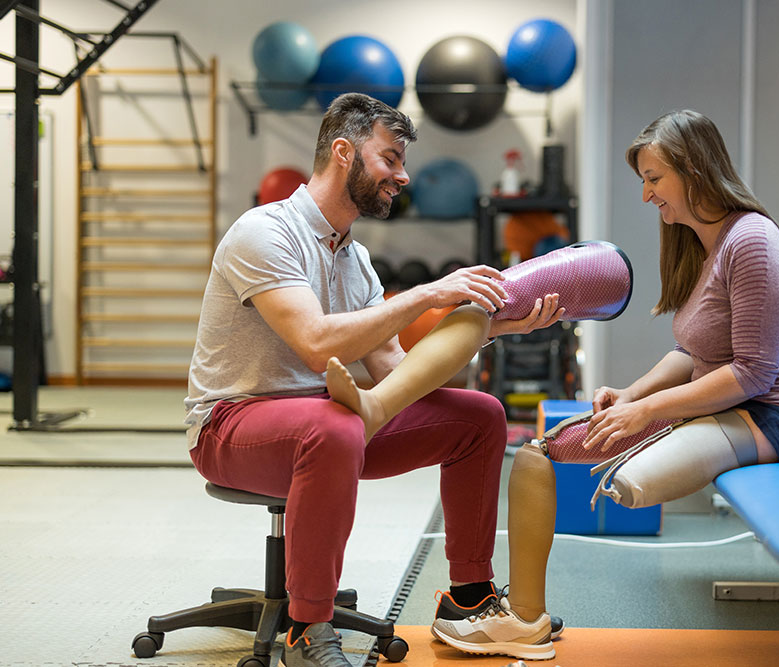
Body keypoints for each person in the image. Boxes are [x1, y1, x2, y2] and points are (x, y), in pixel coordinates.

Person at [429, 109, 779, 661]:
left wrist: (647, 414)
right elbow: (692, 351)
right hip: (732, 406)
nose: (647, 196)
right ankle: (525, 620)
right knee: (537, 455)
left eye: (654, 179)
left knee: (627, 479)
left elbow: (753, 374)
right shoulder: (704, 243)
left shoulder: (753, 242)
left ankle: (521, 622)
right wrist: (632, 395)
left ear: (694, 171)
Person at [184, 92, 565, 667]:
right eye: (390, 159)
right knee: (336, 425)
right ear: (343, 152)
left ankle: (466, 601)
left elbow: (394, 371)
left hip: (327, 415)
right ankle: (306, 630)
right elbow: (315, 344)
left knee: (478, 418)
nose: (403, 175)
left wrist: (490, 330)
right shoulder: (263, 233)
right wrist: (426, 294)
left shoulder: (352, 257)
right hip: (232, 424)